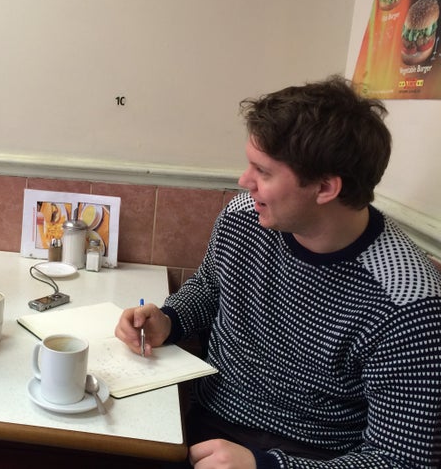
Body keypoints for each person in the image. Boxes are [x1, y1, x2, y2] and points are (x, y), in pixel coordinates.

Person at [115, 76, 441, 469]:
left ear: (325, 188)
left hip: (313, 456)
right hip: (207, 424)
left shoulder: (410, 304)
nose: (243, 181)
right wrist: (171, 319)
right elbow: (210, 287)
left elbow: (402, 460)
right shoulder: (244, 217)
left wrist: (266, 466)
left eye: (263, 171)